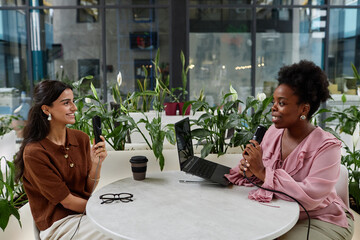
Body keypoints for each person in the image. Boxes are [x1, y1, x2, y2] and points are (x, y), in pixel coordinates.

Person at [225, 60, 354, 239]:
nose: (273, 107)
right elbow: (261, 179)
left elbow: (309, 196)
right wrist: (250, 168)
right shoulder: (272, 133)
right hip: (279, 213)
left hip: (320, 219)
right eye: (274, 101)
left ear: (304, 109)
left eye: (282, 103)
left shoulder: (328, 147)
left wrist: (262, 171)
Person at [14, 80, 112, 240]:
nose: (74, 108)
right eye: (66, 103)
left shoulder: (80, 138)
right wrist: (102, 209)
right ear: (46, 109)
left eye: (73, 102)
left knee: (127, 225)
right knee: (114, 234)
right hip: (59, 225)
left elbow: (87, 190)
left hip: (85, 214)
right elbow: (67, 202)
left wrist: (96, 164)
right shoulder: (35, 153)